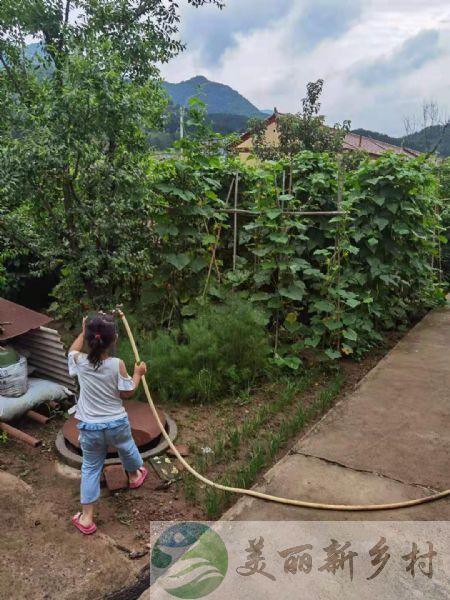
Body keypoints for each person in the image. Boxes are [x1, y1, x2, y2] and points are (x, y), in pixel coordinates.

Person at [68, 313, 148, 535]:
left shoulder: (80, 362)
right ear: (114, 340)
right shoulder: (116, 364)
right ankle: (134, 476)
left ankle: (86, 518)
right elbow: (128, 392)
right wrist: (138, 374)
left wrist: (82, 333)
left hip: (90, 427)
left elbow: (72, 351)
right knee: (126, 447)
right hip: (116, 424)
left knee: (91, 467)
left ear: (89, 338)